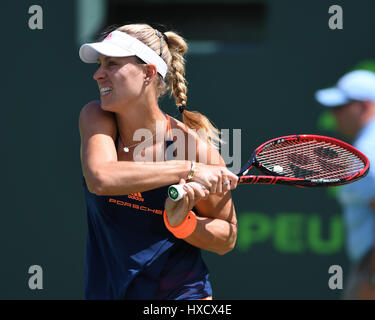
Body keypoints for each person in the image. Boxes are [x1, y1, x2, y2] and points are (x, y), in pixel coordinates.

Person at [78, 23, 239, 300]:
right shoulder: (96, 117)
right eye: (100, 64)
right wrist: (189, 169)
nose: (98, 74)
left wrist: (182, 223)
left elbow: (228, 237)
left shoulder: (192, 146)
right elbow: (101, 178)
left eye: (112, 64)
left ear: (148, 73)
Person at [315, 70, 375, 299]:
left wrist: (371, 277)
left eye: (341, 107)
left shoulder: (368, 152)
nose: (333, 114)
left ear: (366, 106)